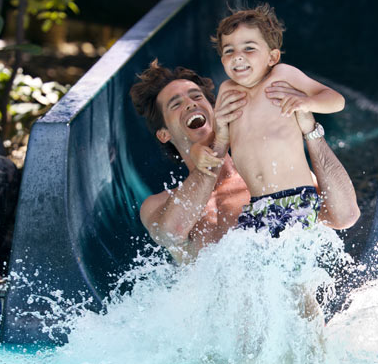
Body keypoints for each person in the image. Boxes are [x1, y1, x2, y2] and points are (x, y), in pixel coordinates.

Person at [129, 60, 359, 264]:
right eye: (175, 104)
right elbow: (172, 232)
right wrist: (218, 145)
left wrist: (310, 131)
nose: (191, 104)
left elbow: (345, 216)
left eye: (197, 96)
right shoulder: (158, 205)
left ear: (215, 108)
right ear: (164, 134)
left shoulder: (275, 176)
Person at [213, 4, 347, 237]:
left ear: (272, 56)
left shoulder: (283, 75)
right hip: (256, 204)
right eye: (229, 51)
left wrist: (305, 102)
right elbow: (223, 140)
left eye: (249, 48)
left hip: (295, 199)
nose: (238, 57)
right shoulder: (226, 91)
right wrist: (219, 132)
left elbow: (336, 100)